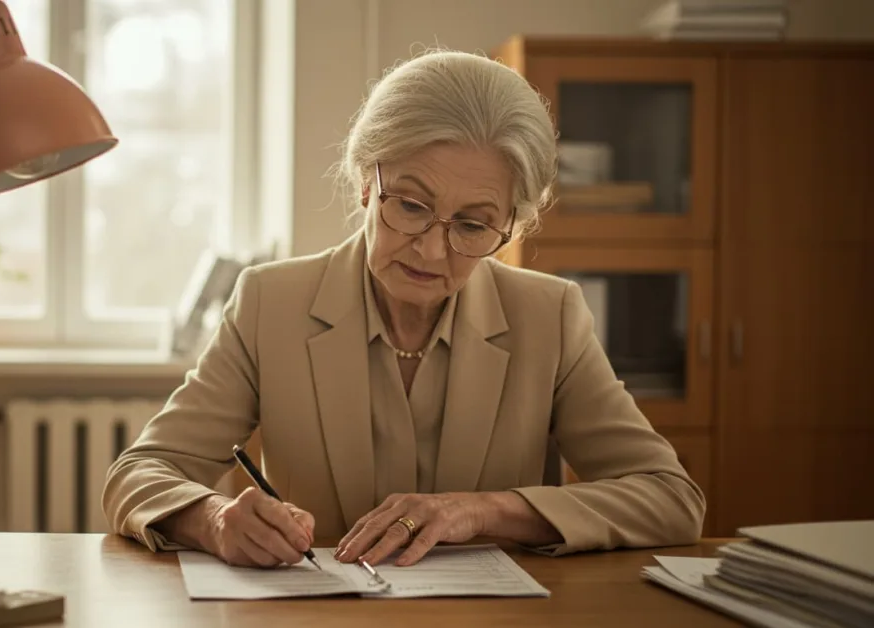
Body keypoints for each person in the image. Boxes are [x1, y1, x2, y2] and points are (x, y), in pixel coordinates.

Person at [101, 49, 705, 569]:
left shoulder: (549, 316)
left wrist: (482, 509)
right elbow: (139, 473)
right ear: (366, 181)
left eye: (472, 225)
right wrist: (213, 518)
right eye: (411, 205)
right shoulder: (270, 303)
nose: (433, 249)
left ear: (509, 229)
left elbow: (671, 499)